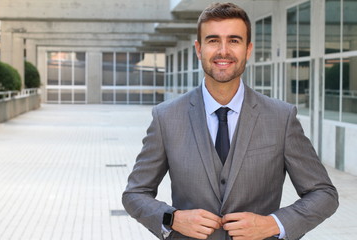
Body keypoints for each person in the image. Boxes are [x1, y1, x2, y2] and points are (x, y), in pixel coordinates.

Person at [122, 2, 338, 240]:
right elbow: (135, 194)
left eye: (234, 40)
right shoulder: (166, 117)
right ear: (198, 48)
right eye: (213, 40)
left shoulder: (281, 118)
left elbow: (323, 194)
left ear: (248, 50)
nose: (223, 51)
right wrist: (172, 218)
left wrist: (273, 224)